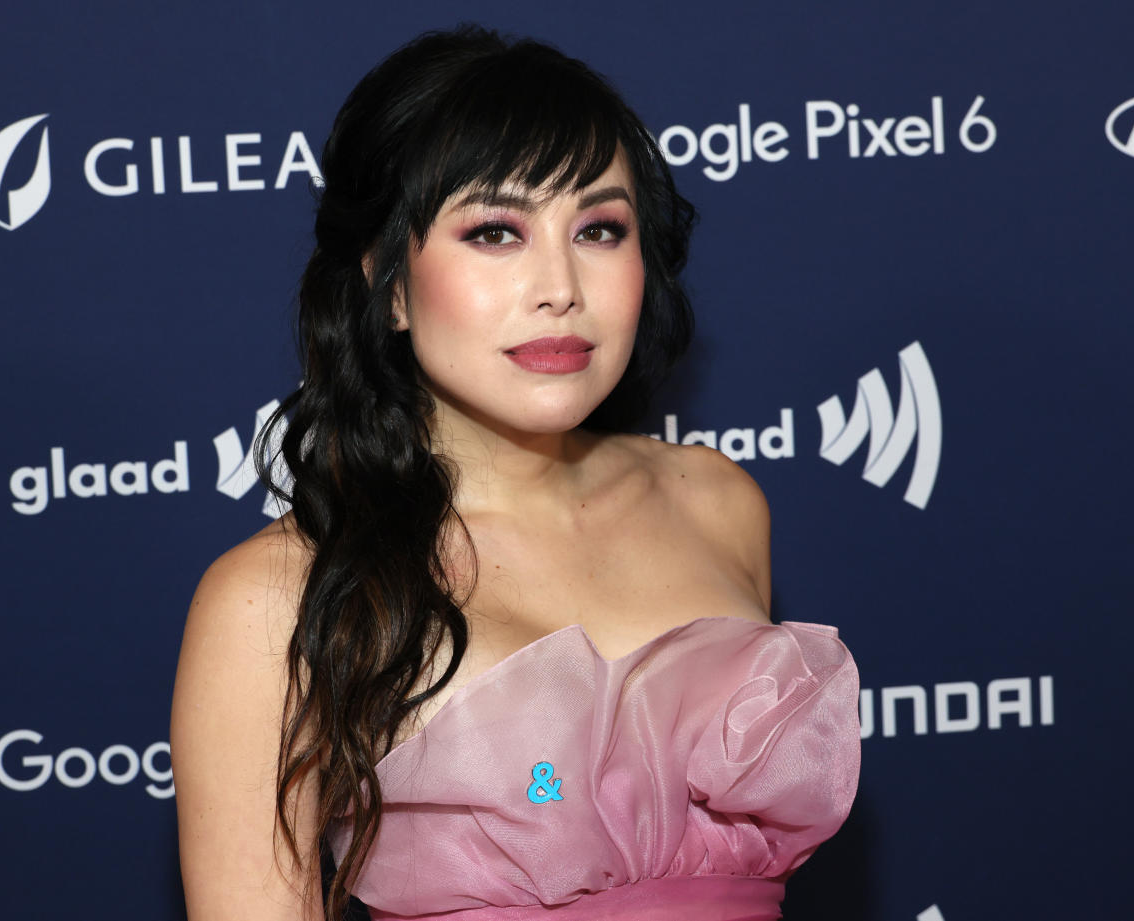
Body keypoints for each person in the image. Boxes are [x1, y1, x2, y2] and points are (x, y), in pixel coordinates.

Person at [171, 25, 860, 921]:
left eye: (600, 228)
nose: (560, 284)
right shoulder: (276, 598)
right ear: (386, 278)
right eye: (495, 230)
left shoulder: (718, 502)